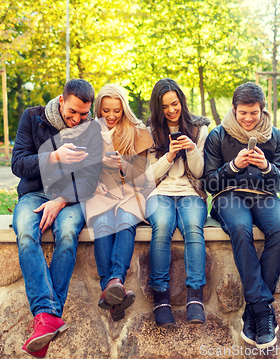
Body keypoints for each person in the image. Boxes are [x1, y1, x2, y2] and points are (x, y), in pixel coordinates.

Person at [11, 79, 102, 358]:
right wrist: (52, 157)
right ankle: (49, 316)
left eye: (84, 114)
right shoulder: (33, 117)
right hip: (34, 193)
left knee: (67, 234)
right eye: (72, 111)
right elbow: (18, 164)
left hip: (70, 197)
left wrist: (60, 201)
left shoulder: (92, 130)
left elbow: (90, 180)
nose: (77, 119)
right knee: (26, 233)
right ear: (61, 101)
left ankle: (44, 320)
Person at [203, 82, 280, 349]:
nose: (248, 118)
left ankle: (253, 310)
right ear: (234, 109)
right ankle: (263, 311)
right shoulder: (217, 136)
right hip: (228, 196)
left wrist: (266, 167)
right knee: (240, 227)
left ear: (262, 111)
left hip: (264, 196)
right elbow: (209, 184)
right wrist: (232, 166)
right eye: (243, 112)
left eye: (254, 113)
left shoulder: (274, 136)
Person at [85, 84, 153, 322]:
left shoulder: (137, 131)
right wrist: (96, 173)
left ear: (124, 109)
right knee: (103, 223)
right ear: (98, 109)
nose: (111, 116)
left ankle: (113, 283)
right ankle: (115, 290)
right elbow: (79, 168)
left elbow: (143, 178)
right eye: (106, 111)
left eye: (117, 111)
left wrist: (122, 164)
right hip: (100, 192)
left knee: (125, 221)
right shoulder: (90, 130)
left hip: (129, 191)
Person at [145, 78, 210, 326]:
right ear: (157, 108)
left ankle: (195, 298)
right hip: (159, 192)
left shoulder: (199, 128)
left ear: (181, 101)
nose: (171, 110)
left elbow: (200, 172)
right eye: (165, 106)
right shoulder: (149, 132)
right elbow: (148, 178)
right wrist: (170, 155)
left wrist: (192, 149)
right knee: (161, 226)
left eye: (175, 104)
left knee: (194, 228)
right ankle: (160, 299)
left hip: (191, 193)